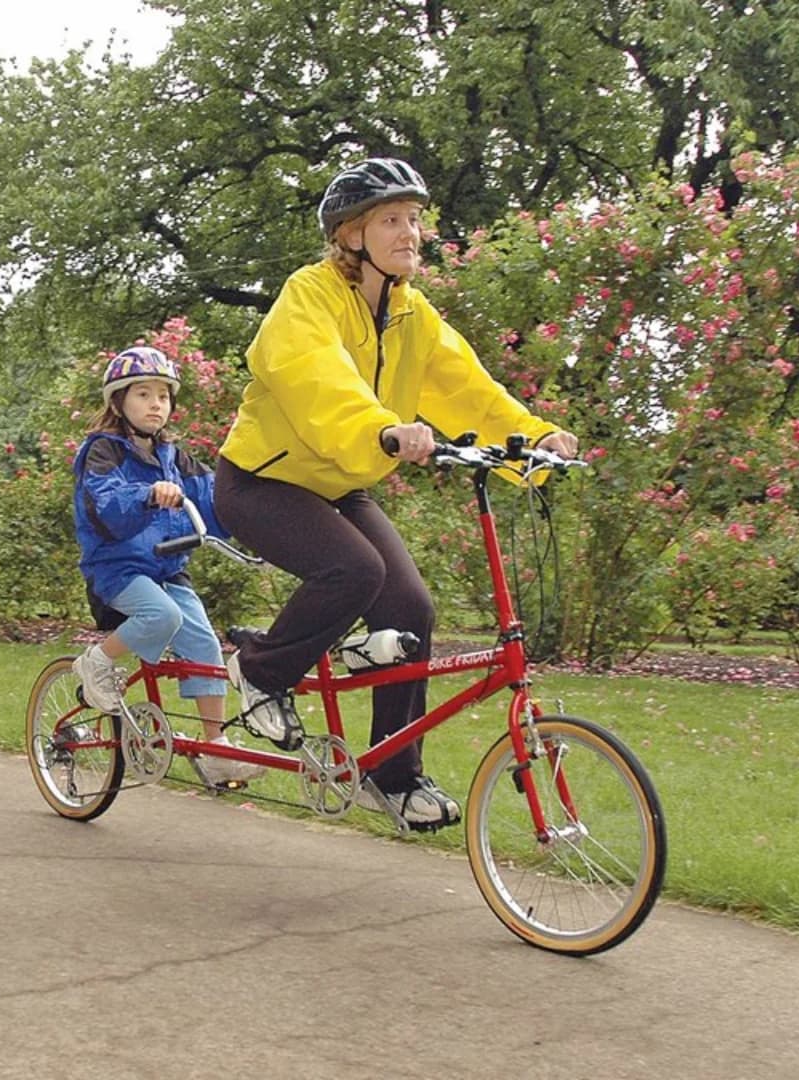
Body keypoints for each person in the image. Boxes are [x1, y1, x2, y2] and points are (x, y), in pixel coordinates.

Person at [213, 158, 580, 829]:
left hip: (342, 479)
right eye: (391, 219)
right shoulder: (310, 295)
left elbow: (468, 388)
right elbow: (316, 378)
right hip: (261, 479)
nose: (410, 231)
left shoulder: (413, 314)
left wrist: (533, 436)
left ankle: (392, 773)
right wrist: (382, 429)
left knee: (410, 608)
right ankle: (263, 670)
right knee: (354, 569)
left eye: (414, 218)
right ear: (351, 235)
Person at [71, 346, 262, 787]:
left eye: (164, 395)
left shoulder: (175, 459)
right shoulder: (103, 452)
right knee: (163, 615)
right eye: (143, 394)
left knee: (203, 643)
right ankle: (95, 663)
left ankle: (216, 749)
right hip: (116, 569)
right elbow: (107, 506)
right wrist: (146, 494)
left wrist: (259, 512)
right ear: (118, 402)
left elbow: (217, 501)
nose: (156, 404)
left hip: (165, 567)